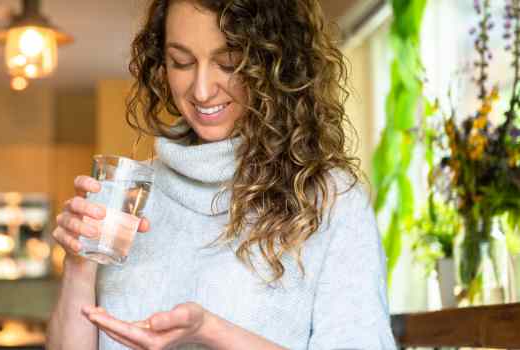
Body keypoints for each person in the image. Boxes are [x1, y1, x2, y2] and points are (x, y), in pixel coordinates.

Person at [47, 0, 397, 349]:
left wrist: (211, 332)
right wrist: (79, 266)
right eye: (181, 62)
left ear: (276, 63)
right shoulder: (131, 199)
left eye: (229, 62)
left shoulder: (329, 200)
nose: (201, 90)